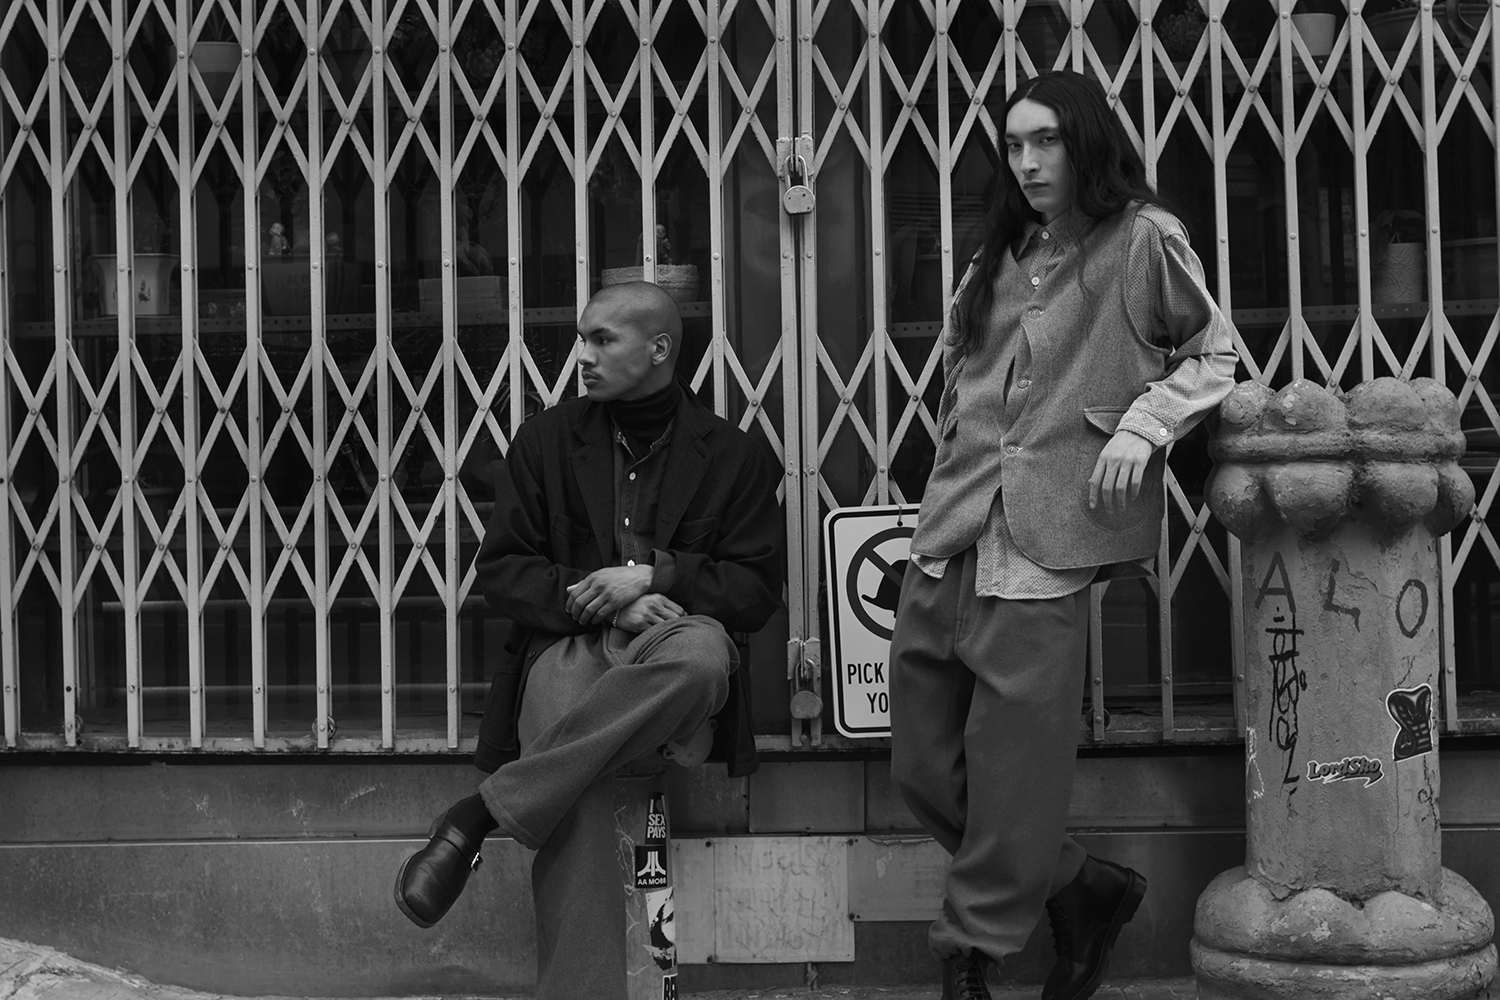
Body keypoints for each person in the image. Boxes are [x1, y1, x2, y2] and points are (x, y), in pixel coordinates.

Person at [889, 70, 1238, 1000]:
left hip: (1048, 544)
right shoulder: (997, 253)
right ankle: (1080, 883)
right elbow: (962, 382)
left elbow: (1216, 354)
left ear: (1085, 143)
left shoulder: (1143, 239)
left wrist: (1142, 426)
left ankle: (971, 954)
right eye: (1014, 144)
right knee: (921, 763)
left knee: (1013, 770)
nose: (1029, 161)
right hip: (954, 526)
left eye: (1046, 140)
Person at [393, 281, 783, 998]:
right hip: (567, 644)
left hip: (673, 643)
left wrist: (653, 575)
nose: (583, 355)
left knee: (703, 660)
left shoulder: (735, 456)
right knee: (574, 777)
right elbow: (504, 574)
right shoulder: (545, 442)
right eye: (583, 339)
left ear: (658, 349)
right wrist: (605, 604)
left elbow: (755, 591)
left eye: (603, 339)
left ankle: (481, 812)